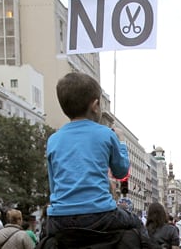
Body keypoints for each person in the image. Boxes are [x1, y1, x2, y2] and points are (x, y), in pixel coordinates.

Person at [43, 72, 148, 246]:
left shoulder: (53, 140)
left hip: (59, 218)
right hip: (101, 215)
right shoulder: (106, 134)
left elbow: (53, 185)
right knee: (137, 224)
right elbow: (121, 172)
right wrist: (121, 142)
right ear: (95, 105)